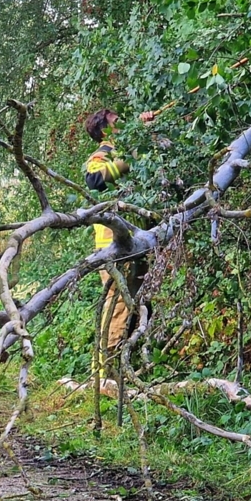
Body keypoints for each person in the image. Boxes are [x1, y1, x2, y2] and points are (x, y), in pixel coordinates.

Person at [84, 108, 154, 375]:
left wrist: (146, 132)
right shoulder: (101, 155)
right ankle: (107, 370)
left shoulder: (128, 149)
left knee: (138, 301)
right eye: (117, 120)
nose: (123, 122)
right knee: (118, 306)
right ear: (105, 131)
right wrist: (130, 153)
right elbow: (94, 179)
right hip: (114, 246)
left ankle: (127, 365)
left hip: (138, 241)